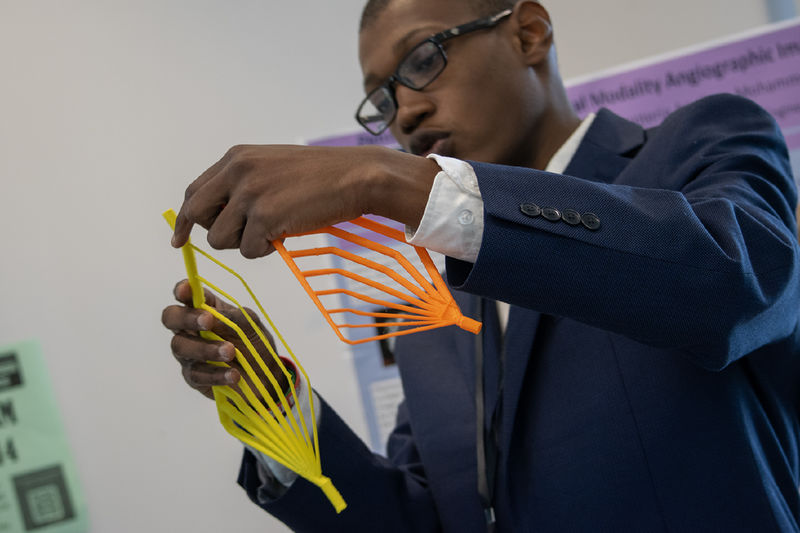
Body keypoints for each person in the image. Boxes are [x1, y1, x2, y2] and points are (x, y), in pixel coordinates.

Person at [161, 0, 800, 530]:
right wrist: (278, 407)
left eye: (421, 60)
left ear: (529, 32)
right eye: (382, 100)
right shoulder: (434, 309)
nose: (404, 111)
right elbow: (427, 518)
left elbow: (726, 286)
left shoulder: (704, 146)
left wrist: (389, 179)